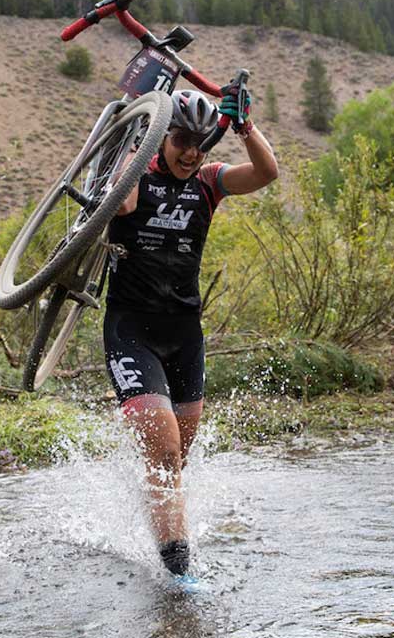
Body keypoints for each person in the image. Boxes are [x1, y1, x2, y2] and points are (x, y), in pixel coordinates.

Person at [103, 85, 278, 576]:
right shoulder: (139, 173)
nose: (191, 152)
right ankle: (179, 573)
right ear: (162, 136)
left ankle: (160, 532)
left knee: (175, 460)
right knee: (164, 451)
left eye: (201, 143)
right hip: (131, 329)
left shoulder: (208, 182)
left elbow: (267, 173)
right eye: (181, 139)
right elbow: (120, 203)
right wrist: (141, 137)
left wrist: (243, 127)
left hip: (185, 334)